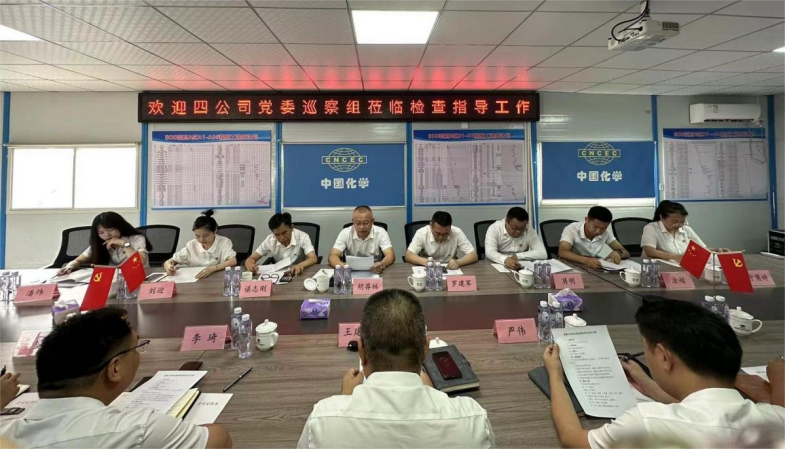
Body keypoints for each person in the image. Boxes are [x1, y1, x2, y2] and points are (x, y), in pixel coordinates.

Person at [542, 299, 785, 448]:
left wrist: (555, 373)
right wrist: (653, 388)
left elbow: (572, 438)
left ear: (664, 357)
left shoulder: (646, 422)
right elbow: (708, 414)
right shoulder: (776, 419)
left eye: (646, 350)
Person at [0, 308, 232, 448]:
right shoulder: (138, 428)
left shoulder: (6, 434)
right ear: (115, 369)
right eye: (136, 347)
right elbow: (219, 440)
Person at [298, 289, 494, 448]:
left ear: (362, 351)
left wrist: (343, 400)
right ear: (425, 349)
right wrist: (433, 394)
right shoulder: (474, 420)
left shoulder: (322, 420)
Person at [57, 212, 151, 275]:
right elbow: (78, 261)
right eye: (101, 232)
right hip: (112, 280)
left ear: (120, 227)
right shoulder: (99, 243)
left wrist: (124, 243)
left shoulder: (136, 238)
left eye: (110, 230)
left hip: (138, 276)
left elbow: (138, 263)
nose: (106, 235)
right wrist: (69, 267)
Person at [642, 200, 730, 262]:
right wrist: (675, 257)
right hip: (658, 268)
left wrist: (717, 250)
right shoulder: (651, 228)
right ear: (662, 217)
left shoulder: (686, 229)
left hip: (683, 267)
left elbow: (700, 249)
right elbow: (650, 251)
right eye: (674, 222)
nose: (679, 225)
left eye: (682, 221)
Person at [164, 210, 237, 279]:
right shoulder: (191, 245)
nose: (201, 240)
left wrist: (213, 268)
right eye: (197, 236)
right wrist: (168, 266)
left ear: (215, 231)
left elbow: (232, 261)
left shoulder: (224, 242)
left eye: (206, 236)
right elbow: (171, 261)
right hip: (196, 279)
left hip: (218, 279)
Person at [245, 213, 317, 276]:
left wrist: (300, 265)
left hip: (299, 273)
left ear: (291, 227)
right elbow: (251, 258)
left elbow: (313, 258)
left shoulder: (303, 237)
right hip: (279, 274)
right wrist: (250, 265)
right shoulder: (270, 240)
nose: (281, 238)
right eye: (277, 235)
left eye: (284, 233)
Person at [328, 206, 395, 274]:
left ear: (372, 221)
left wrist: (382, 264)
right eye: (358, 223)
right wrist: (342, 265)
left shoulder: (381, 232)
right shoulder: (345, 233)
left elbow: (390, 254)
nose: (362, 227)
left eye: (365, 223)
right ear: (353, 222)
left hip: (375, 270)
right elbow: (332, 255)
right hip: (351, 270)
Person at [558, 206, 629, 270]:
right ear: (586, 220)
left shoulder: (605, 232)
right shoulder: (572, 229)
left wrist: (618, 253)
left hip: (592, 267)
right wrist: (587, 260)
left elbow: (625, 252)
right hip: (570, 266)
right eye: (595, 227)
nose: (598, 231)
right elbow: (563, 252)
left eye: (603, 228)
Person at [405, 211, 478, 269]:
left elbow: (473, 255)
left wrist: (458, 262)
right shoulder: (422, 233)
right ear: (431, 226)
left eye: (445, 234)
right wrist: (426, 262)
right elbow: (409, 255)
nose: (441, 237)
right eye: (437, 233)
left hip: (450, 269)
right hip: (428, 269)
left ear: (450, 227)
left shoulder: (457, 232)